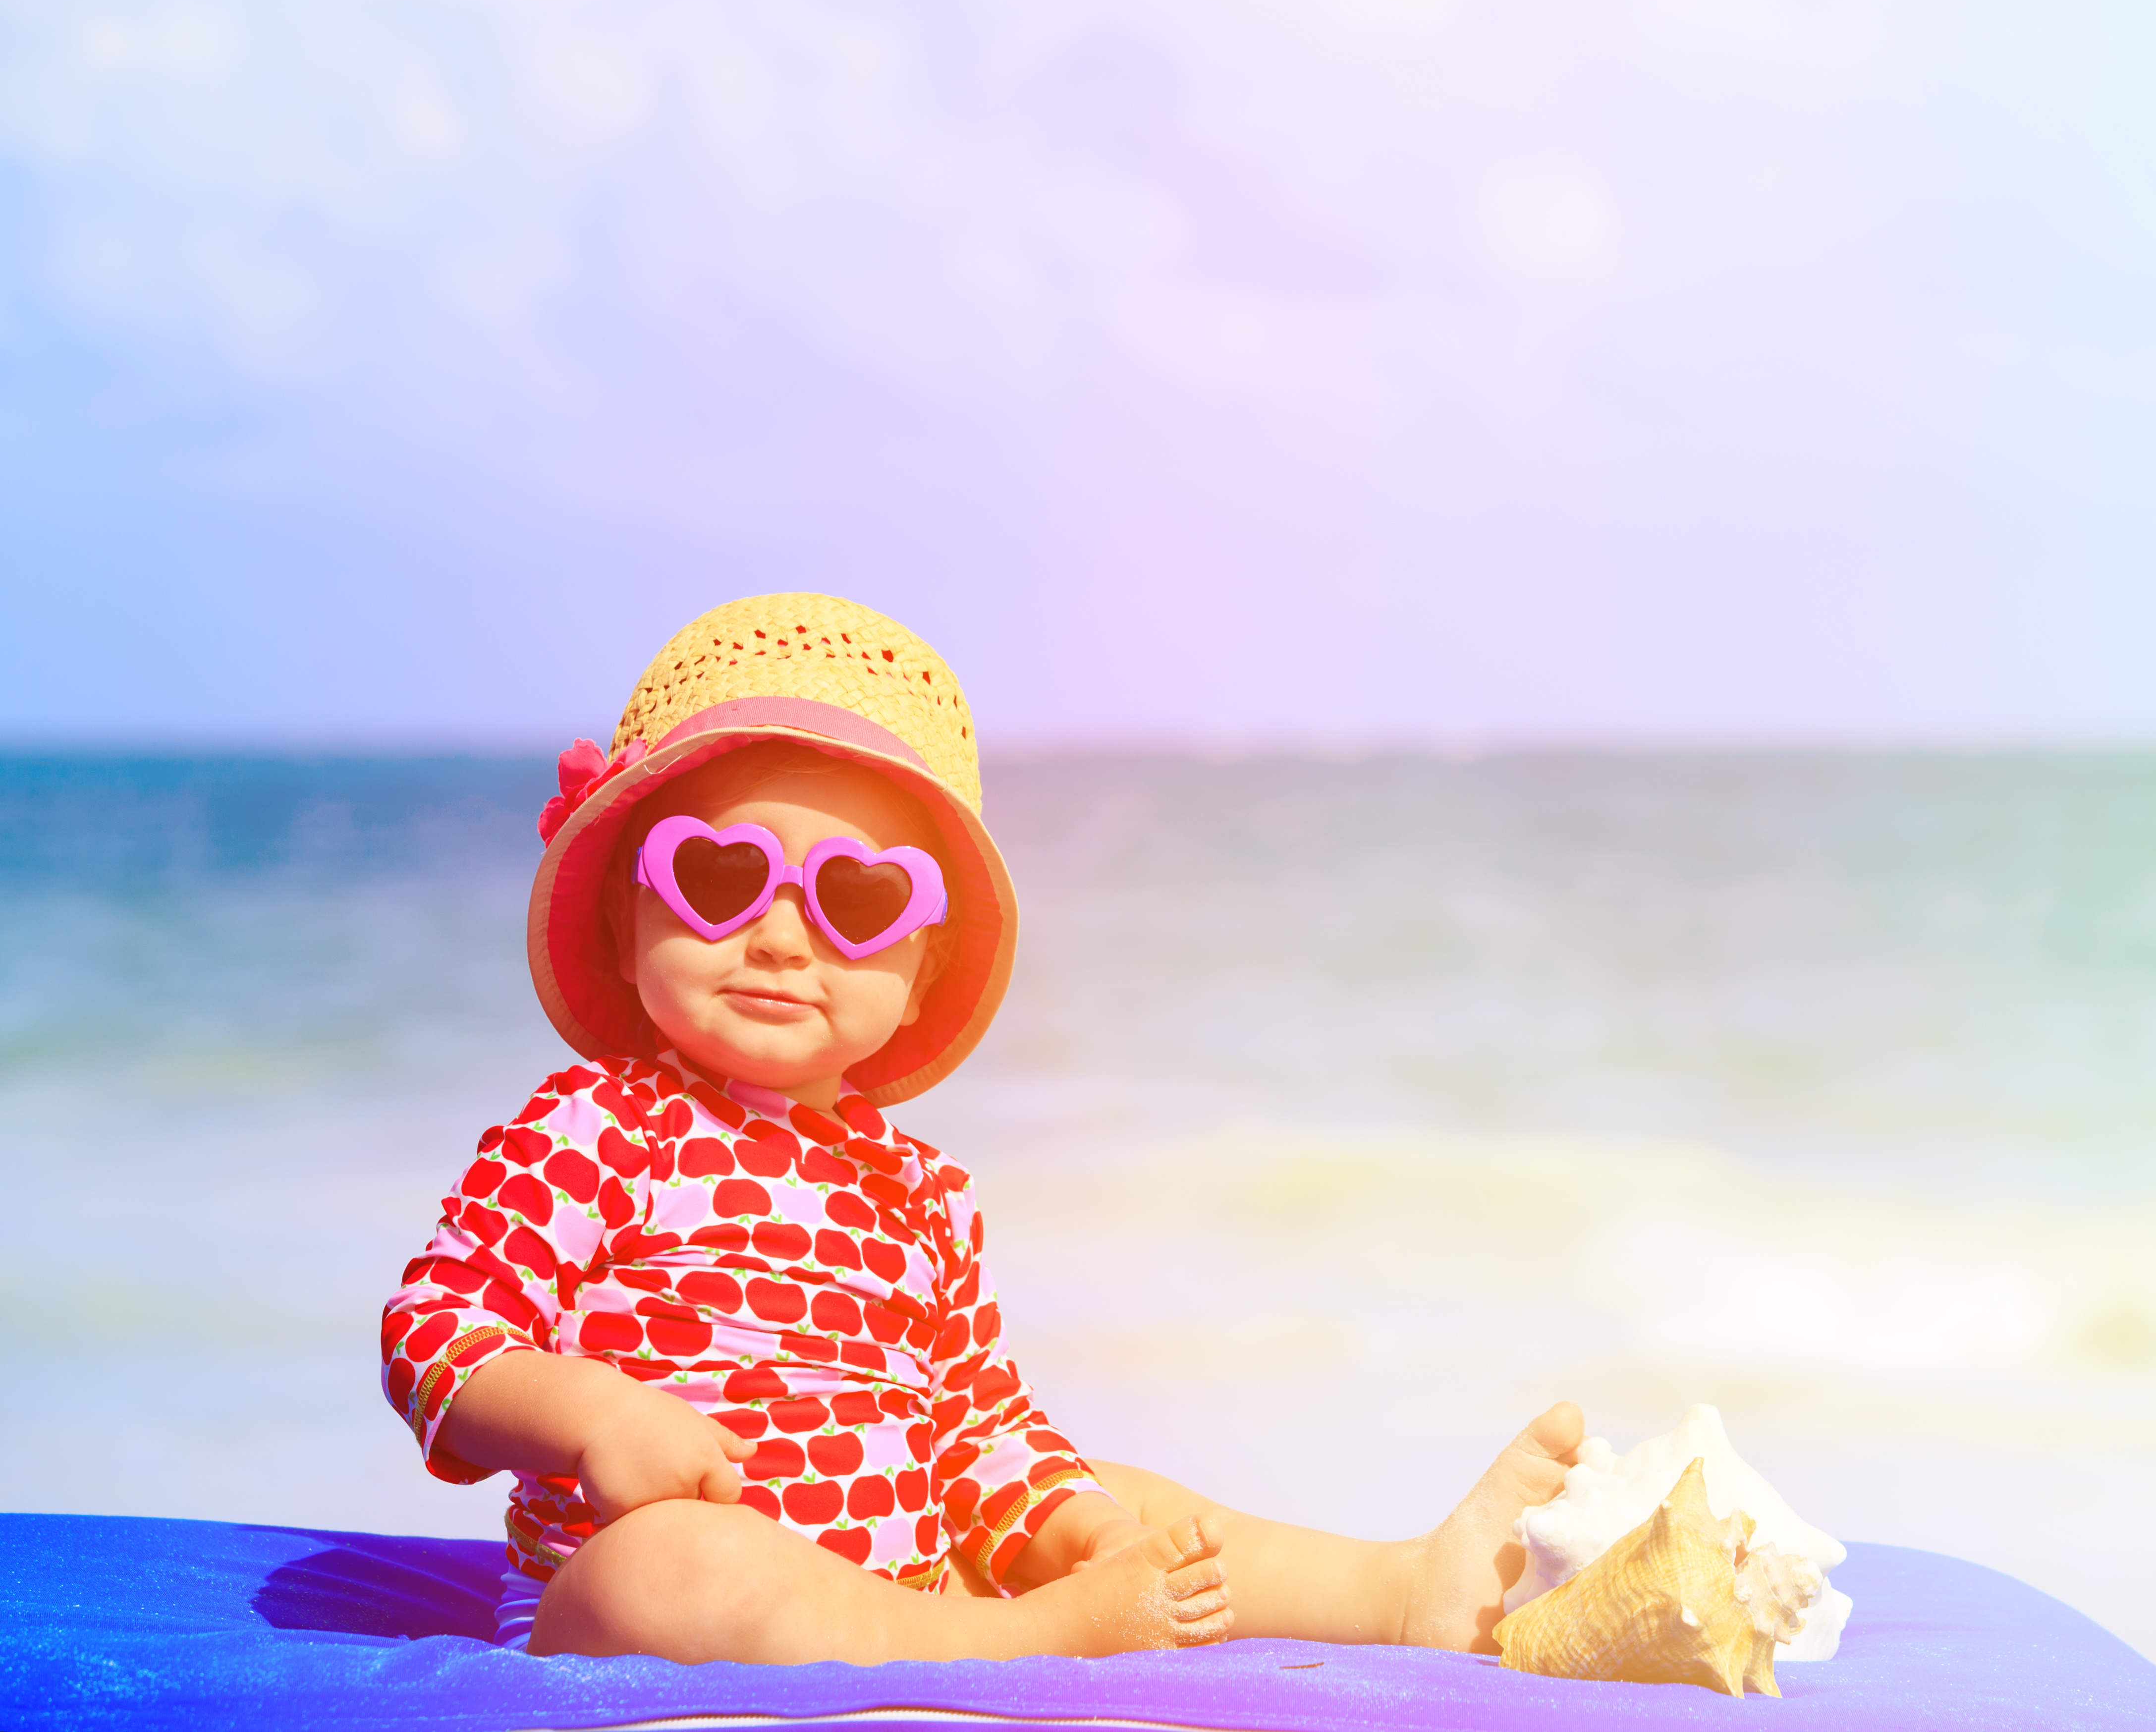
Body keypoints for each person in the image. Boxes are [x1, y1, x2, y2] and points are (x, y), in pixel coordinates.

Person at [380, 592, 1585, 1665]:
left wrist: (1085, 1531)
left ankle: (1402, 1589)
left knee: (1117, 1494)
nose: (782, 937)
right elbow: (435, 1331)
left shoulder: (919, 1194)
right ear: (625, 912)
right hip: (636, 1617)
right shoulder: (592, 1126)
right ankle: (1025, 1644)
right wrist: (598, 1416)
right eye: (719, 878)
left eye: (855, 899)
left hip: (889, 1590)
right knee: (681, 1565)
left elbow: (974, 1428)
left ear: (918, 970)